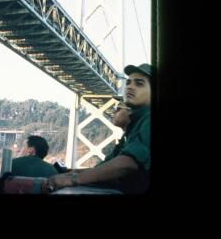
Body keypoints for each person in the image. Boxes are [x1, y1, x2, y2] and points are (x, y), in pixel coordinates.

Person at [48, 63, 151, 194]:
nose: (130, 87)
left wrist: (74, 179)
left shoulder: (149, 119)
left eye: (139, 84)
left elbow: (128, 163)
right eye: (128, 83)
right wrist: (70, 173)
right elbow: (103, 168)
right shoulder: (135, 128)